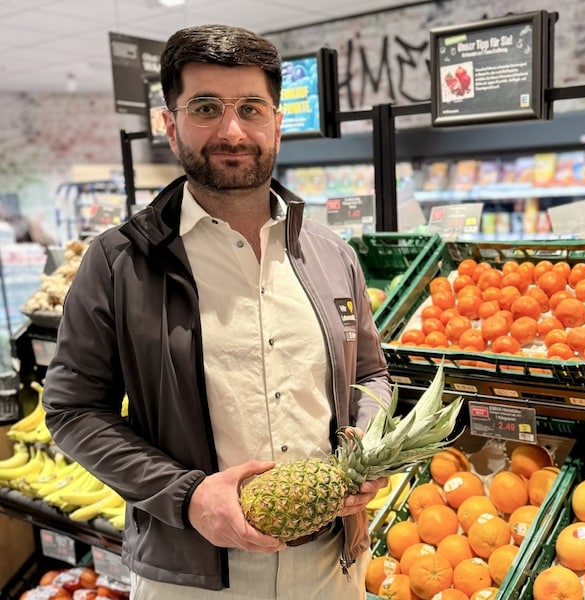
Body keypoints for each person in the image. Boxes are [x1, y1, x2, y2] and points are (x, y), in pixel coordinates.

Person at [42, 24, 392, 599]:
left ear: (278, 122)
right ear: (169, 124)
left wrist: (369, 437)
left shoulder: (332, 256)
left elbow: (370, 374)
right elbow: (73, 410)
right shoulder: (119, 261)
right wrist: (187, 496)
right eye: (206, 107)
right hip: (192, 575)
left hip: (334, 564)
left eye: (251, 108)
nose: (232, 131)